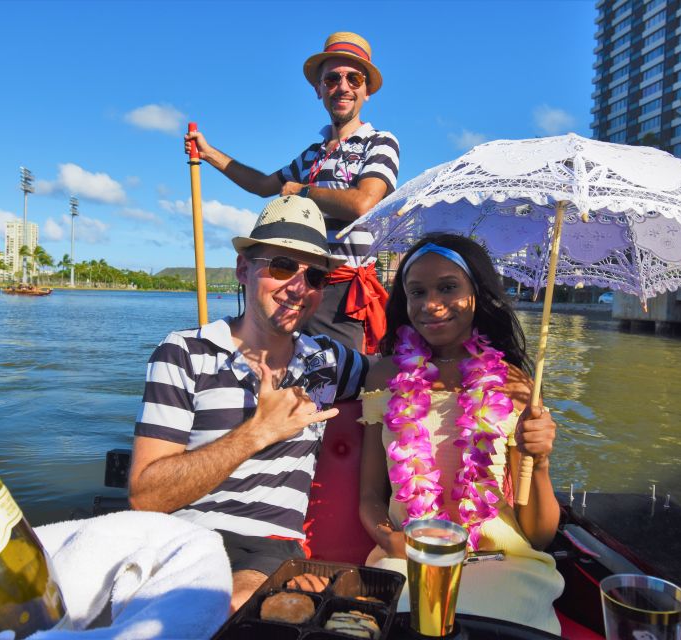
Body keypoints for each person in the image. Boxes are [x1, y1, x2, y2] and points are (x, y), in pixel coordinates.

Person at [128, 195, 369, 612]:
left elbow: (418, 368)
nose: (298, 287)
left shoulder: (326, 361)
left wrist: (500, 374)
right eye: (281, 267)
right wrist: (258, 431)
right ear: (243, 269)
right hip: (179, 537)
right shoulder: (185, 352)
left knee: (234, 604)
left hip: (268, 546)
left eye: (314, 277)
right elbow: (144, 497)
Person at [357, 234, 564, 634]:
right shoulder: (385, 377)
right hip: (410, 558)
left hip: (505, 563)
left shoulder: (517, 385)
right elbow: (369, 495)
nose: (430, 305)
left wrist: (540, 461)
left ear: (477, 295)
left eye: (448, 287)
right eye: (417, 292)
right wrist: (389, 540)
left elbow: (538, 536)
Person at [184, 31, 399, 354]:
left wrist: (303, 191)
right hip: (297, 281)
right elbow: (262, 186)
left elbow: (363, 203)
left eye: (353, 78)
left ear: (366, 90)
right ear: (318, 90)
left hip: (341, 291)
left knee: (338, 380)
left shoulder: (379, 142)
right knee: (279, 371)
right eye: (332, 79)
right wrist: (209, 153)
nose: (342, 87)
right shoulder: (312, 154)